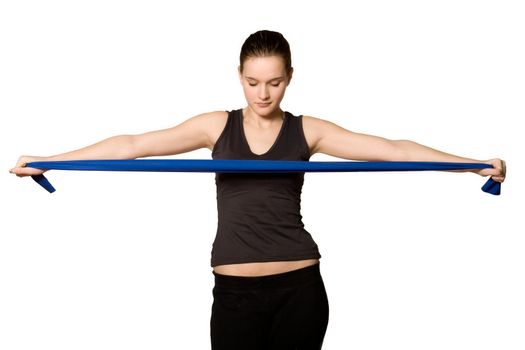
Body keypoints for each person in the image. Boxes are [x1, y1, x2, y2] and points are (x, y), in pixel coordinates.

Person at [10, 30, 506, 349]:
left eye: (273, 82)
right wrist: (51, 159)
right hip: (234, 292)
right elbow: (134, 144)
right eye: (252, 82)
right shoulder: (214, 126)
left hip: (299, 286)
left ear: (289, 79)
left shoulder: (307, 130)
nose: (263, 94)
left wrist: (470, 166)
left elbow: (392, 149)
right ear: (240, 78)